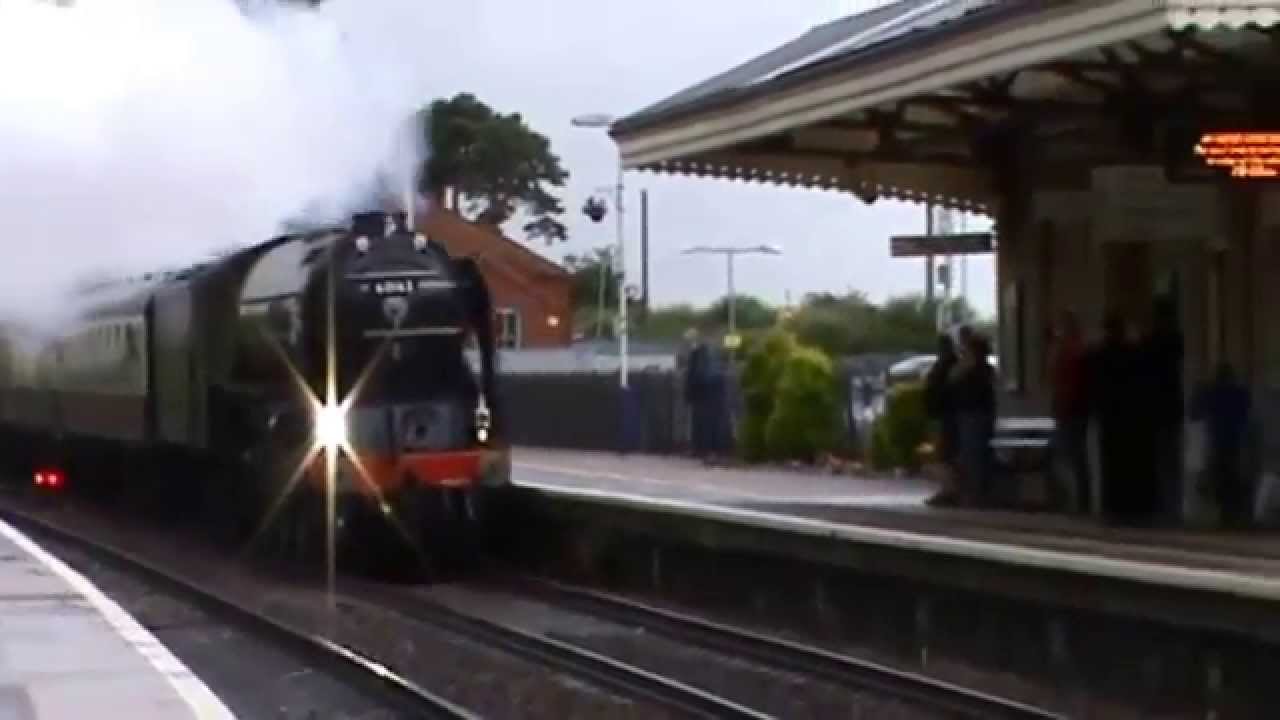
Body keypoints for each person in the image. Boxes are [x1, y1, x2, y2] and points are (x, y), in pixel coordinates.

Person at [1191, 363, 1253, 528]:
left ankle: (1224, 513)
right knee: (1231, 475)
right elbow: (1247, 410)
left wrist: (1200, 391)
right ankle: (1232, 513)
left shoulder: (1212, 392)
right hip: (1235, 439)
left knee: (1219, 475)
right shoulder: (1239, 393)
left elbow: (1195, 412)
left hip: (1218, 439)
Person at [1049, 310, 1091, 514]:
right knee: (1075, 456)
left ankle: (1077, 500)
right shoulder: (1076, 351)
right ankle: (1079, 499)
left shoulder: (1071, 352)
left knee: (1071, 456)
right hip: (1072, 409)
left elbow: (1066, 382)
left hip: (1070, 409)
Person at [950, 330, 997, 505]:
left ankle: (977, 494)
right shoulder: (981, 370)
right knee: (973, 455)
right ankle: (976, 492)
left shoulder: (977, 371)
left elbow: (955, 380)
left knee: (975, 455)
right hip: (974, 415)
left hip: (975, 415)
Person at [924, 334, 960, 506]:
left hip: (944, 414)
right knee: (943, 454)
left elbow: (940, 387)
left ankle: (949, 490)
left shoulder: (948, 365)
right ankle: (948, 489)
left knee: (944, 454)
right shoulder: (949, 364)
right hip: (942, 413)